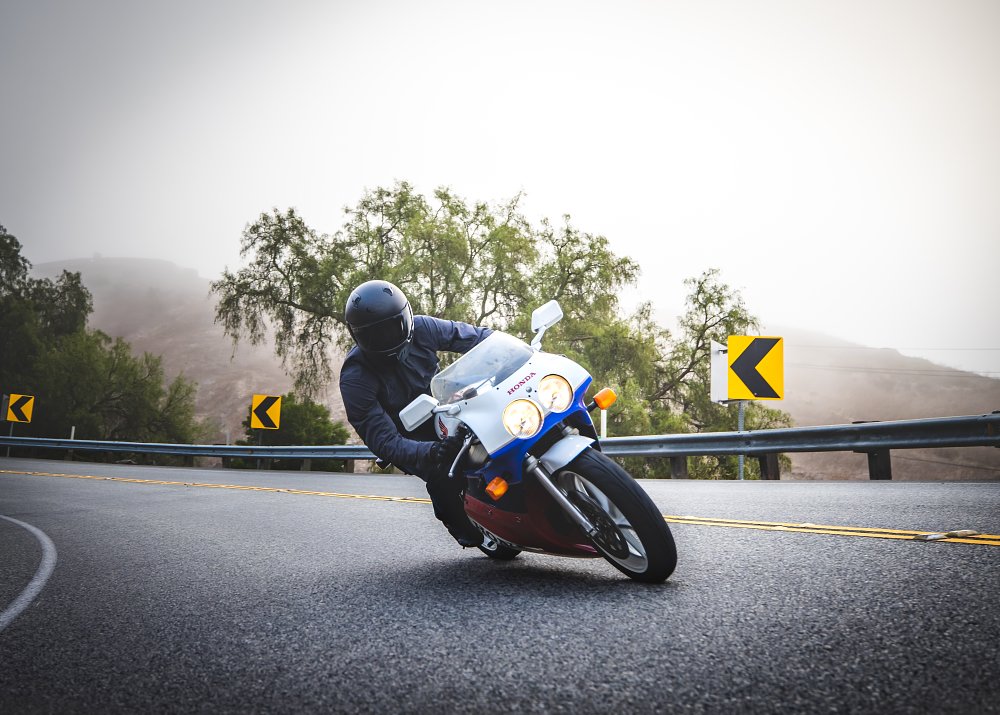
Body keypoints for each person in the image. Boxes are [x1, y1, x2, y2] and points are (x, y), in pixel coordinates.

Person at [339, 279, 491, 547]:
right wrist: (430, 451)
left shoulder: (424, 328)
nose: (385, 338)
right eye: (374, 334)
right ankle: (454, 519)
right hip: (408, 436)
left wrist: (521, 356)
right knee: (443, 471)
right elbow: (384, 441)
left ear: (405, 317)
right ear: (357, 335)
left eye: (390, 327)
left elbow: (476, 338)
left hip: (443, 407)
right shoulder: (355, 377)